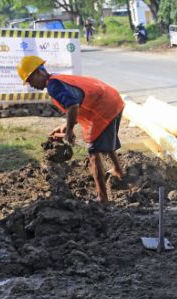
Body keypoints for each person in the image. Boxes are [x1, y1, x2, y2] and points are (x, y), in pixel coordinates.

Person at [16, 55, 126, 203]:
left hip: (104, 107)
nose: (31, 85)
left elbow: (73, 106)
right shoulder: (56, 79)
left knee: (93, 152)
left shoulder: (54, 86)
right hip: (112, 100)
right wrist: (66, 126)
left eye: (30, 80)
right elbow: (76, 103)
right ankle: (118, 170)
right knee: (104, 138)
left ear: (38, 72)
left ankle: (102, 198)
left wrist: (68, 132)